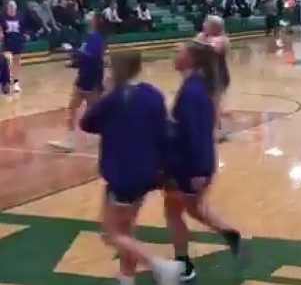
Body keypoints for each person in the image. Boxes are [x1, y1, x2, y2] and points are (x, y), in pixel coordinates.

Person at [79, 51, 184, 285]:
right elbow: (164, 133)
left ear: (116, 69)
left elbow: (86, 122)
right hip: (148, 171)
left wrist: (105, 95)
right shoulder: (153, 93)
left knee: (111, 233)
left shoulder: (115, 96)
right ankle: (127, 277)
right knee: (126, 228)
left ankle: (159, 266)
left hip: (123, 172)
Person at [162, 41, 247, 282]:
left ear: (191, 59)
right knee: (192, 208)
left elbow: (198, 133)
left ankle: (184, 265)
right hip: (191, 162)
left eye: (178, 51)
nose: (174, 53)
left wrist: (199, 170)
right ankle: (230, 233)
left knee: (173, 212)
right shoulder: (195, 87)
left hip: (188, 165)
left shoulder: (193, 91)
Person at [49, 12, 106, 152]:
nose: (88, 14)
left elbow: (91, 58)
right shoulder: (89, 36)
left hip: (91, 79)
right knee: (74, 108)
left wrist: (72, 51)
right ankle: (70, 140)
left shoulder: (95, 38)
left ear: (94, 20)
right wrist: (73, 54)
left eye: (91, 14)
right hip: (85, 77)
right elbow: (83, 57)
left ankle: (100, 136)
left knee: (90, 110)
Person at [195, 15, 231, 140]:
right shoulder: (201, 36)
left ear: (214, 27)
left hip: (218, 75)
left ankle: (216, 132)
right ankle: (209, 126)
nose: (204, 25)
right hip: (203, 74)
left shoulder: (223, 39)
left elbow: (214, 49)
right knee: (206, 103)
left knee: (214, 103)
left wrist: (201, 43)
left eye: (207, 23)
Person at [0, 0, 25, 93]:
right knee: (7, 61)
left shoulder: (20, 16)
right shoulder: (2, 16)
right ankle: (6, 81)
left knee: (17, 61)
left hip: (17, 41)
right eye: (10, 7)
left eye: (13, 7)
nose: (11, 9)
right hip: (6, 42)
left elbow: (23, 28)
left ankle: (16, 82)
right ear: (7, 8)